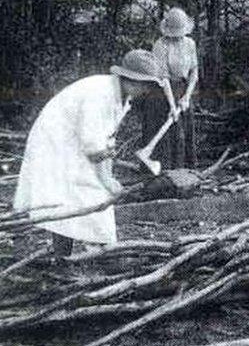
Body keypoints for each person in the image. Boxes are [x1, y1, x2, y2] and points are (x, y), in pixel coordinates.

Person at [13, 50, 167, 258]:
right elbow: (93, 146)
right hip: (57, 144)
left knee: (79, 198)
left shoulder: (120, 96)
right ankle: (87, 255)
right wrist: (106, 180)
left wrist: (109, 176)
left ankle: (75, 255)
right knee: (83, 197)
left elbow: (106, 140)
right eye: (145, 84)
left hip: (72, 143)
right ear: (130, 79)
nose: (146, 90)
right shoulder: (100, 95)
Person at [147, 7, 199, 169]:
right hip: (163, 92)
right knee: (171, 132)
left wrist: (187, 96)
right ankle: (166, 169)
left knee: (185, 130)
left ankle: (186, 169)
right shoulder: (160, 45)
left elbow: (194, 71)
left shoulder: (190, 43)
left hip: (184, 88)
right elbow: (164, 78)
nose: (178, 38)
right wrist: (172, 105)